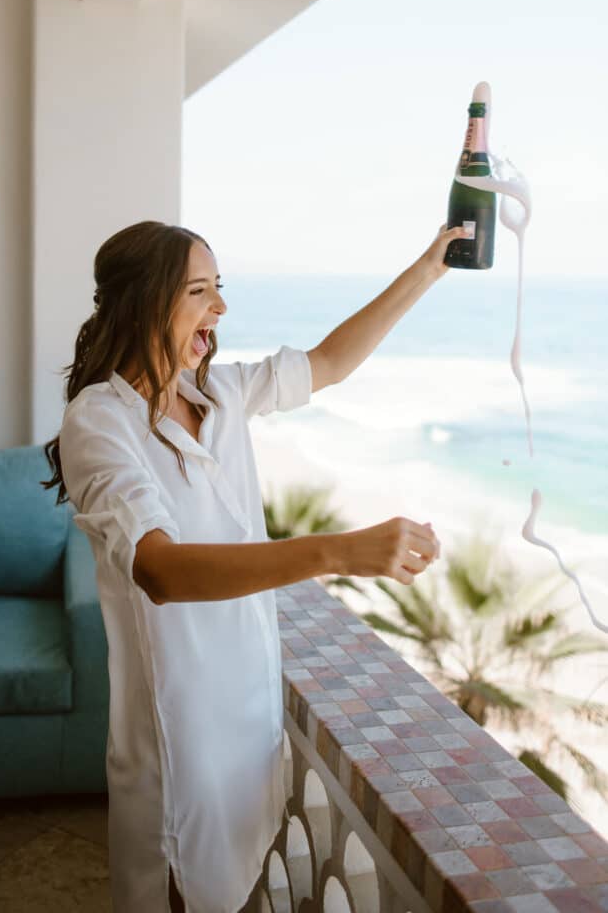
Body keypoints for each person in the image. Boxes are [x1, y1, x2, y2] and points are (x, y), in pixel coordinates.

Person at [42, 218, 470, 913]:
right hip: (181, 749)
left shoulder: (222, 395)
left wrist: (429, 268)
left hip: (251, 723)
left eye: (220, 290)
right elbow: (161, 571)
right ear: (147, 301)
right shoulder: (99, 422)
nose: (220, 308)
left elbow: (329, 362)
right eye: (200, 292)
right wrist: (338, 551)